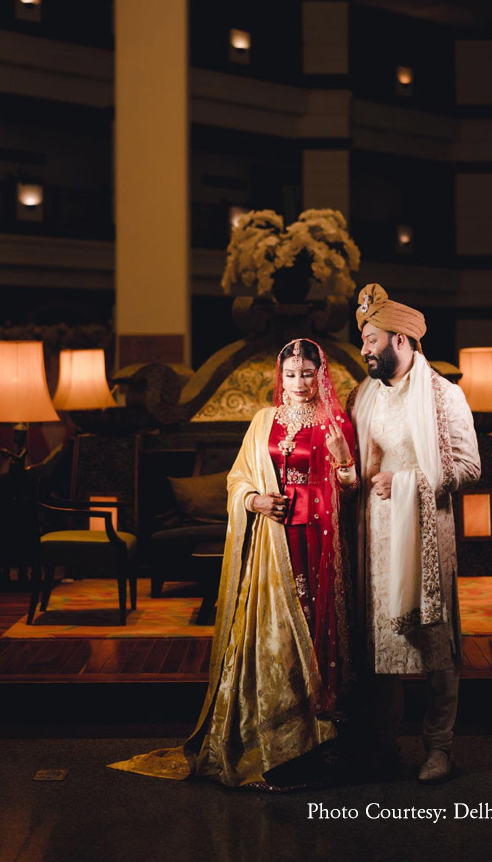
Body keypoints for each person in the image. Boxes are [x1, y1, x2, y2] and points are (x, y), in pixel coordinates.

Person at [109, 338, 356, 789]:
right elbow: (237, 478)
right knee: (271, 634)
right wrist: (257, 500)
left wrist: (343, 462)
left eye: (306, 373)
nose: (298, 383)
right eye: (290, 374)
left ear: (320, 375)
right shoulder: (264, 421)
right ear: (278, 377)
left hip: (317, 541)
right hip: (271, 539)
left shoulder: (334, 421)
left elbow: (352, 486)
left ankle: (314, 740)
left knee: (313, 628)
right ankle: (271, 734)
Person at [349, 283, 481, 782]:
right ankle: (383, 745)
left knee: (433, 643)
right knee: (380, 644)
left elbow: (469, 467)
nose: (363, 349)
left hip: (425, 533)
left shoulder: (444, 396)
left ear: (401, 340)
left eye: (371, 339)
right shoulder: (363, 396)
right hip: (374, 539)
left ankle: (439, 747)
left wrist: (403, 482)